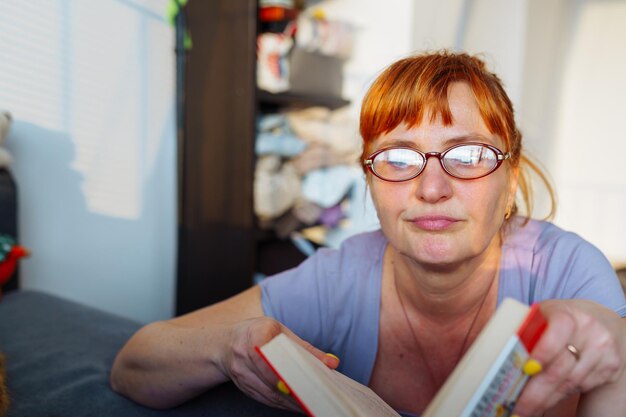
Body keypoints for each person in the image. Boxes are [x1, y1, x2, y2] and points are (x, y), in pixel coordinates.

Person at [110, 51, 626, 417]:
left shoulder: (565, 269)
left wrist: (615, 345)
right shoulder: (341, 275)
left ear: (510, 183)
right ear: (370, 183)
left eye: (468, 155)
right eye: (398, 158)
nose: (431, 188)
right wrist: (228, 348)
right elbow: (134, 363)